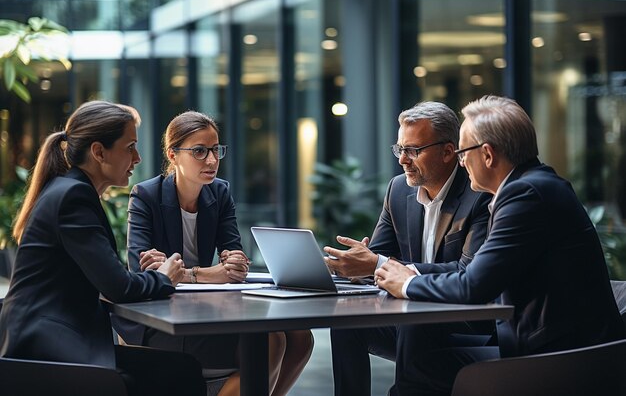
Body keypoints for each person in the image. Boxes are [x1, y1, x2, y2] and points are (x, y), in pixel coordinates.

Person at [375, 95, 626, 396]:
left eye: (464, 151)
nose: (461, 160)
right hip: (541, 342)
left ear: (488, 155)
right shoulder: (531, 186)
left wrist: (407, 283)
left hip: (563, 359)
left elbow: (473, 286)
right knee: (420, 347)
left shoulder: (525, 196)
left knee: (421, 369)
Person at [0, 101, 206, 396]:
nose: (138, 157)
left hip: (47, 339)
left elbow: (106, 276)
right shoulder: (74, 197)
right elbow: (117, 286)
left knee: (179, 370)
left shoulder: (69, 189)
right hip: (45, 349)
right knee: (180, 372)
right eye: (130, 146)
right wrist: (163, 276)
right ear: (98, 152)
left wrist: (146, 275)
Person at [123, 110, 313, 396]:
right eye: (199, 151)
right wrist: (207, 273)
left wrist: (185, 273)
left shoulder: (219, 193)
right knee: (271, 340)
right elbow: (143, 271)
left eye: (215, 150)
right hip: (160, 319)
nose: (212, 160)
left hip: (202, 309)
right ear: (173, 155)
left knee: (301, 338)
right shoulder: (146, 195)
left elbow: (235, 265)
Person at [324, 101, 492, 396]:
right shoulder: (399, 189)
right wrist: (353, 264)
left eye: (413, 150)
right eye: (399, 149)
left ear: (448, 151)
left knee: (413, 321)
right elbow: (378, 255)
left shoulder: (477, 194)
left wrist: (376, 264)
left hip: (464, 319)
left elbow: (467, 271)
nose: (402, 160)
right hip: (414, 314)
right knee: (347, 321)